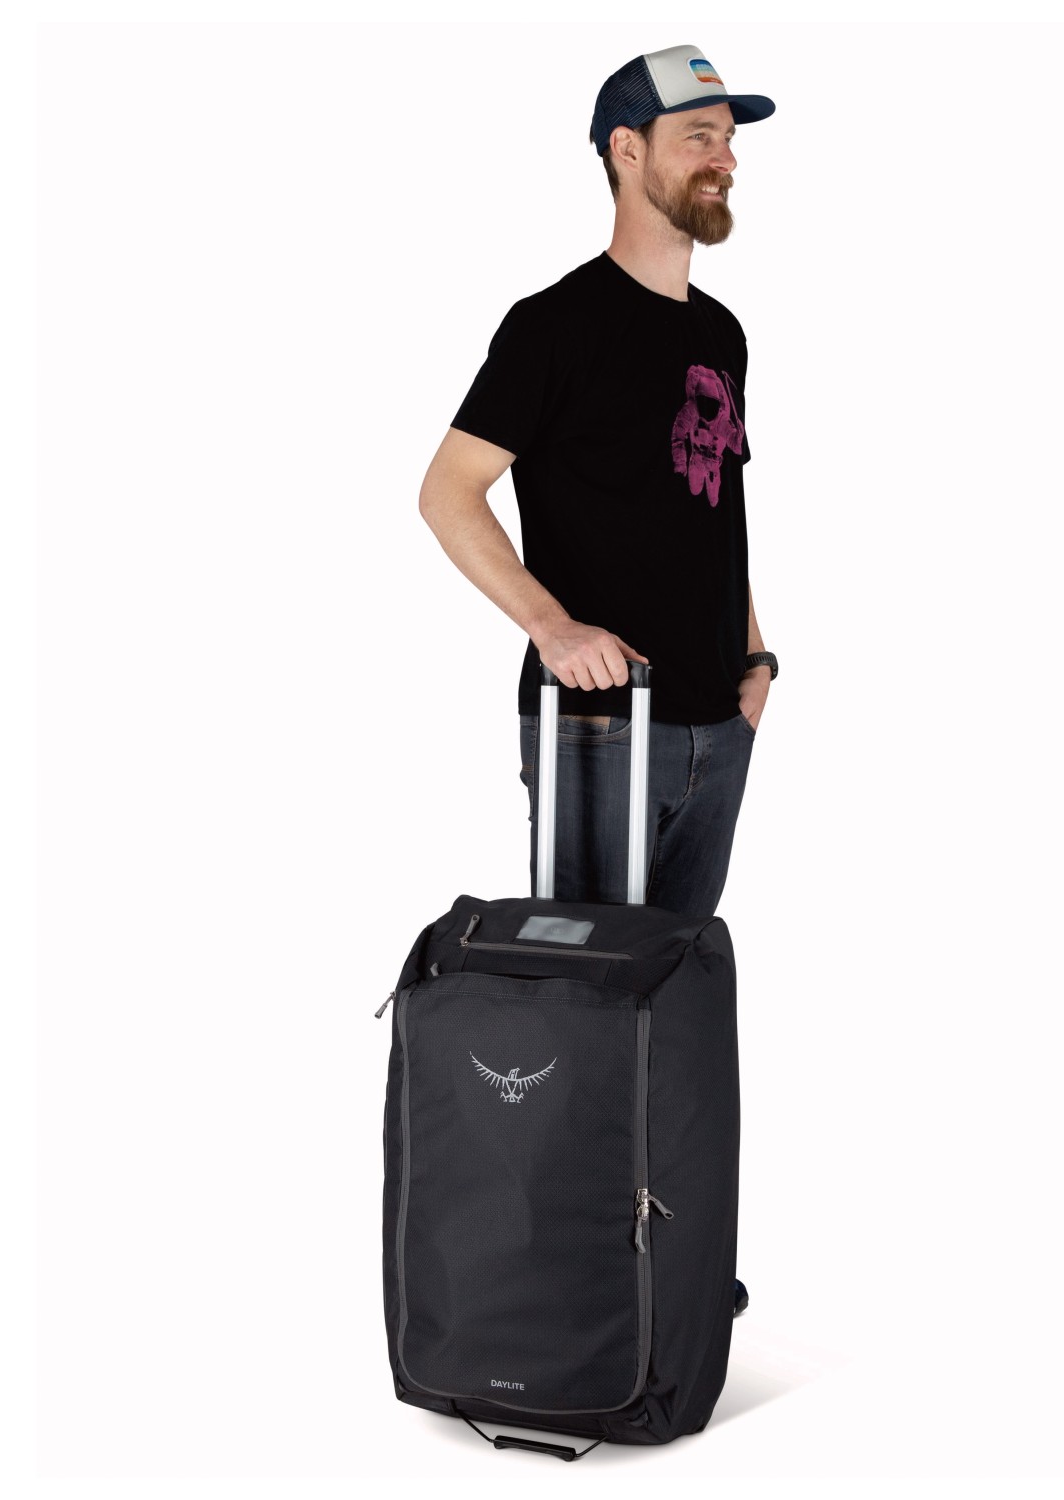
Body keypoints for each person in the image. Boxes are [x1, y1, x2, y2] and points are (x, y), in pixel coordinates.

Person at [420, 50, 775, 1314]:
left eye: (729, 137)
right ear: (627, 151)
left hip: (714, 725)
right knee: (579, 1008)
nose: (724, 157)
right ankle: (563, 1286)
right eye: (698, 136)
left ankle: (658, 1275)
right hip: (601, 731)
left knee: (669, 999)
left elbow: (717, 507)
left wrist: (756, 654)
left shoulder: (721, 334)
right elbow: (448, 492)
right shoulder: (554, 325)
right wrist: (551, 625)